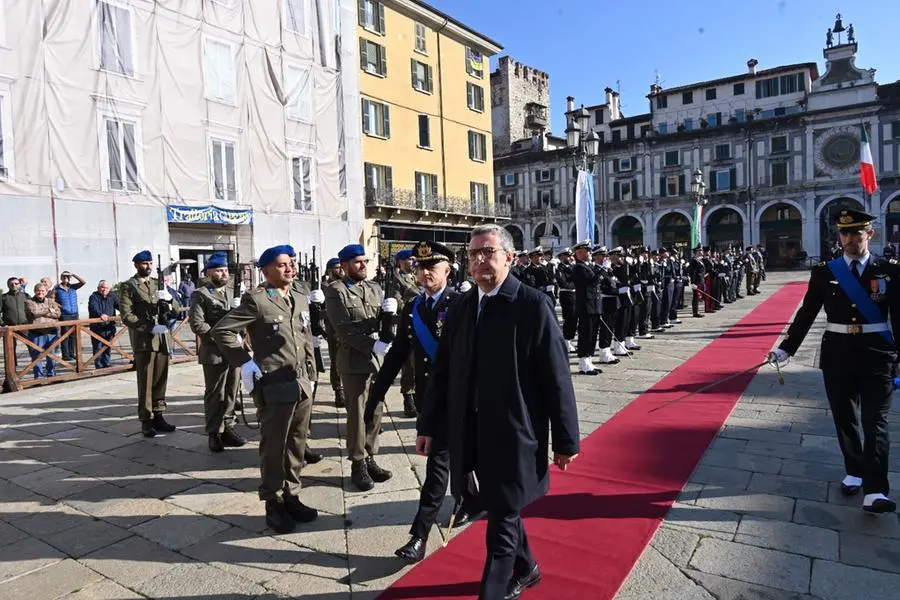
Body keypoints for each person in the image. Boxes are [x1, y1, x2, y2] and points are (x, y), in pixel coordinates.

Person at [417, 224, 580, 600]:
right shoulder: (461, 305)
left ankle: (494, 589)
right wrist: (429, 424)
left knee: (503, 517)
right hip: (468, 430)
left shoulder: (531, 305)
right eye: (473, 254)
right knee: (495, 502)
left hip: (513, 431)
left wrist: (566, 438)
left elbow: (556, 377)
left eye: (487, 252)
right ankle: (528, 567)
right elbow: (442, 371)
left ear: (509, 257)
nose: (479, 260)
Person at [772, 209, 899, 514]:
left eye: (857, 233)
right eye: (845, 233)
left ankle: (876, 490)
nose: (850, 239)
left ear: (870, 234)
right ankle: (854, 470)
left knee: (876, 421)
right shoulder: (825, 272)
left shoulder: (890, 271)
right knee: (846, 418)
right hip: (838, 354)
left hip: (877, 355)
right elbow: (807, 313)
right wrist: (786, 348)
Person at [364, 240, 481, 563]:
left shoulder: (464, 303)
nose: (425, 272)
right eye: (419, 266)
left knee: (438, 467)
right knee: (446, 458)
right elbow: (398, 354)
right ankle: (470, 501)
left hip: (461, 397)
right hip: (431, 399)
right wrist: (376, 394)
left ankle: (419, 535)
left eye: (432, 266)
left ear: (448, 270)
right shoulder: (413, 307)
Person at [211, 245, 319, 533]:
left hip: (300, 383)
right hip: (274, 386)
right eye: (283, 264)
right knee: (274, 447)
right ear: (267, 270)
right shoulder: (257, 300)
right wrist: (244, 362)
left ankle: (291, 495)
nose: (290, 268)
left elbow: (304, 337)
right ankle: (272, 501)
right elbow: (222, 330)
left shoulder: (299, 294)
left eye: (292, 263)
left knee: (296, 444)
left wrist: (312, 372)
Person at [324, 244, 396, 491]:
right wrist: (373, 344)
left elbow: (379, 322)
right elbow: (344, 330)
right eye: (357, 262)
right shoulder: (336, 291)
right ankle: (357, 463)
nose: (364, 265)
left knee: (375, 410)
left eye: (365, 261)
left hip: (376, 361)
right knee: (356, 413)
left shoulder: (374, 288)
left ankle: (370, 455)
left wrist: (390, 317)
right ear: (344, 266)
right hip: (354, 360)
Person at [188, 251, 247, 453]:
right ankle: (214, 432)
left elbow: (245, 320)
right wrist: (224, 337)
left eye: (225, 270)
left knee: (232, 391)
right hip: (214, 351)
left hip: (235, 351)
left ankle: (228, 427)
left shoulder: (234, 293)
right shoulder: (201, 294)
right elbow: (197, 324)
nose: (224, 274)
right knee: (215, 393)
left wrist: (243, 328)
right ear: (209, 272)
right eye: (219, 270)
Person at [119, 250, 180, 437]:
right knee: (145, 382)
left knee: (161, 379)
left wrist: (169, 299)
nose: (148, 267)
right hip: (145, 340)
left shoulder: (157, 284)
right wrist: (147, 328)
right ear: (136, 265)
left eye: (150, 263)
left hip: (162, 339)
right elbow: (127, 315)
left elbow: (177, 308)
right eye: (144, 264)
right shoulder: (129, 286)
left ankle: (159, 414)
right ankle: (146, 419)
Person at [393, 248, 422, 417]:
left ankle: (418, 393)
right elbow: (396, 301)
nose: (413, 262)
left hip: (422, 323)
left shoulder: (417, 276)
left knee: (419, 360)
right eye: (409, 259)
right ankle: (408, 397)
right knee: (409, 363)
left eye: (413, 259)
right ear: (400, 262)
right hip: (407, 323)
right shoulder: (396, 279)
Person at [322, 257, 346, 408]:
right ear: (329, 270)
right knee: (336, 359)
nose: (340, 270)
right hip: (333, 328)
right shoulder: (324, 287)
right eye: (337, 268)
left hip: (348, 326)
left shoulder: (346, 284)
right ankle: (338, 390)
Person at [24, 283, 61, 378]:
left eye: (42, 291)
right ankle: (39, 377)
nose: (40, 292)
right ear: (34, 291)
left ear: (46, 292)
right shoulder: (29, 302)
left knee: (52, 356)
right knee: (36, 356)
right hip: (36, 333)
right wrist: (49, 310)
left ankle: (51, 374)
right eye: (38, 290)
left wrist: (43, 313)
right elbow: (34, 313)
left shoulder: (51, 301)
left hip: (51, 332)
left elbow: (57, 314)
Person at [87, 280, 120, 369]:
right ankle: (99, 366)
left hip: (109, 327)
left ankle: (106, 364)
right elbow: (93, 308)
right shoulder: (93, 297)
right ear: (98, 288)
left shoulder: (113, 296)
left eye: (106, 288)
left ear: (110, 289)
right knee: (98, 348)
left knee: (108, 347)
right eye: (102, 287)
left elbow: (119, 305)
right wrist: (100, 314)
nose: (104, 289)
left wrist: (126, 313)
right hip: (97, 328)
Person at [55, 271, 86, 361]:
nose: (65, 279)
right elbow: (52, 299)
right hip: (65, 314)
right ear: (61, 278)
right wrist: (60, 306)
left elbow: (83, 282)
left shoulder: (73, 287)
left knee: (73, 335)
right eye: (64, 277)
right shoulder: (57, 288)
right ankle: (65, 355)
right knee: (65, 335)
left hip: (75, 314)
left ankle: (72, 353)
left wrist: (74, 275)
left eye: (67, 277)